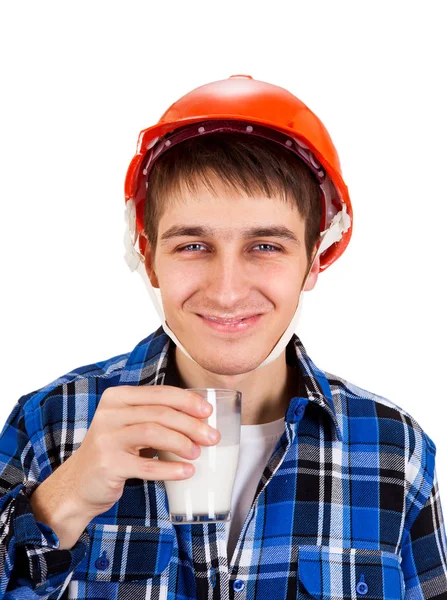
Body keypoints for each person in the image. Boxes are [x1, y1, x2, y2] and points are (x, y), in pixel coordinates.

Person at [0, 74, 446, 600]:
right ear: (148, 258)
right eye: (193, 246)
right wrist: (63, 501)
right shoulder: (53, 424)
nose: (228, 292)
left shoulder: (395, 451)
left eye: (265, 246)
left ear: (313, 262)